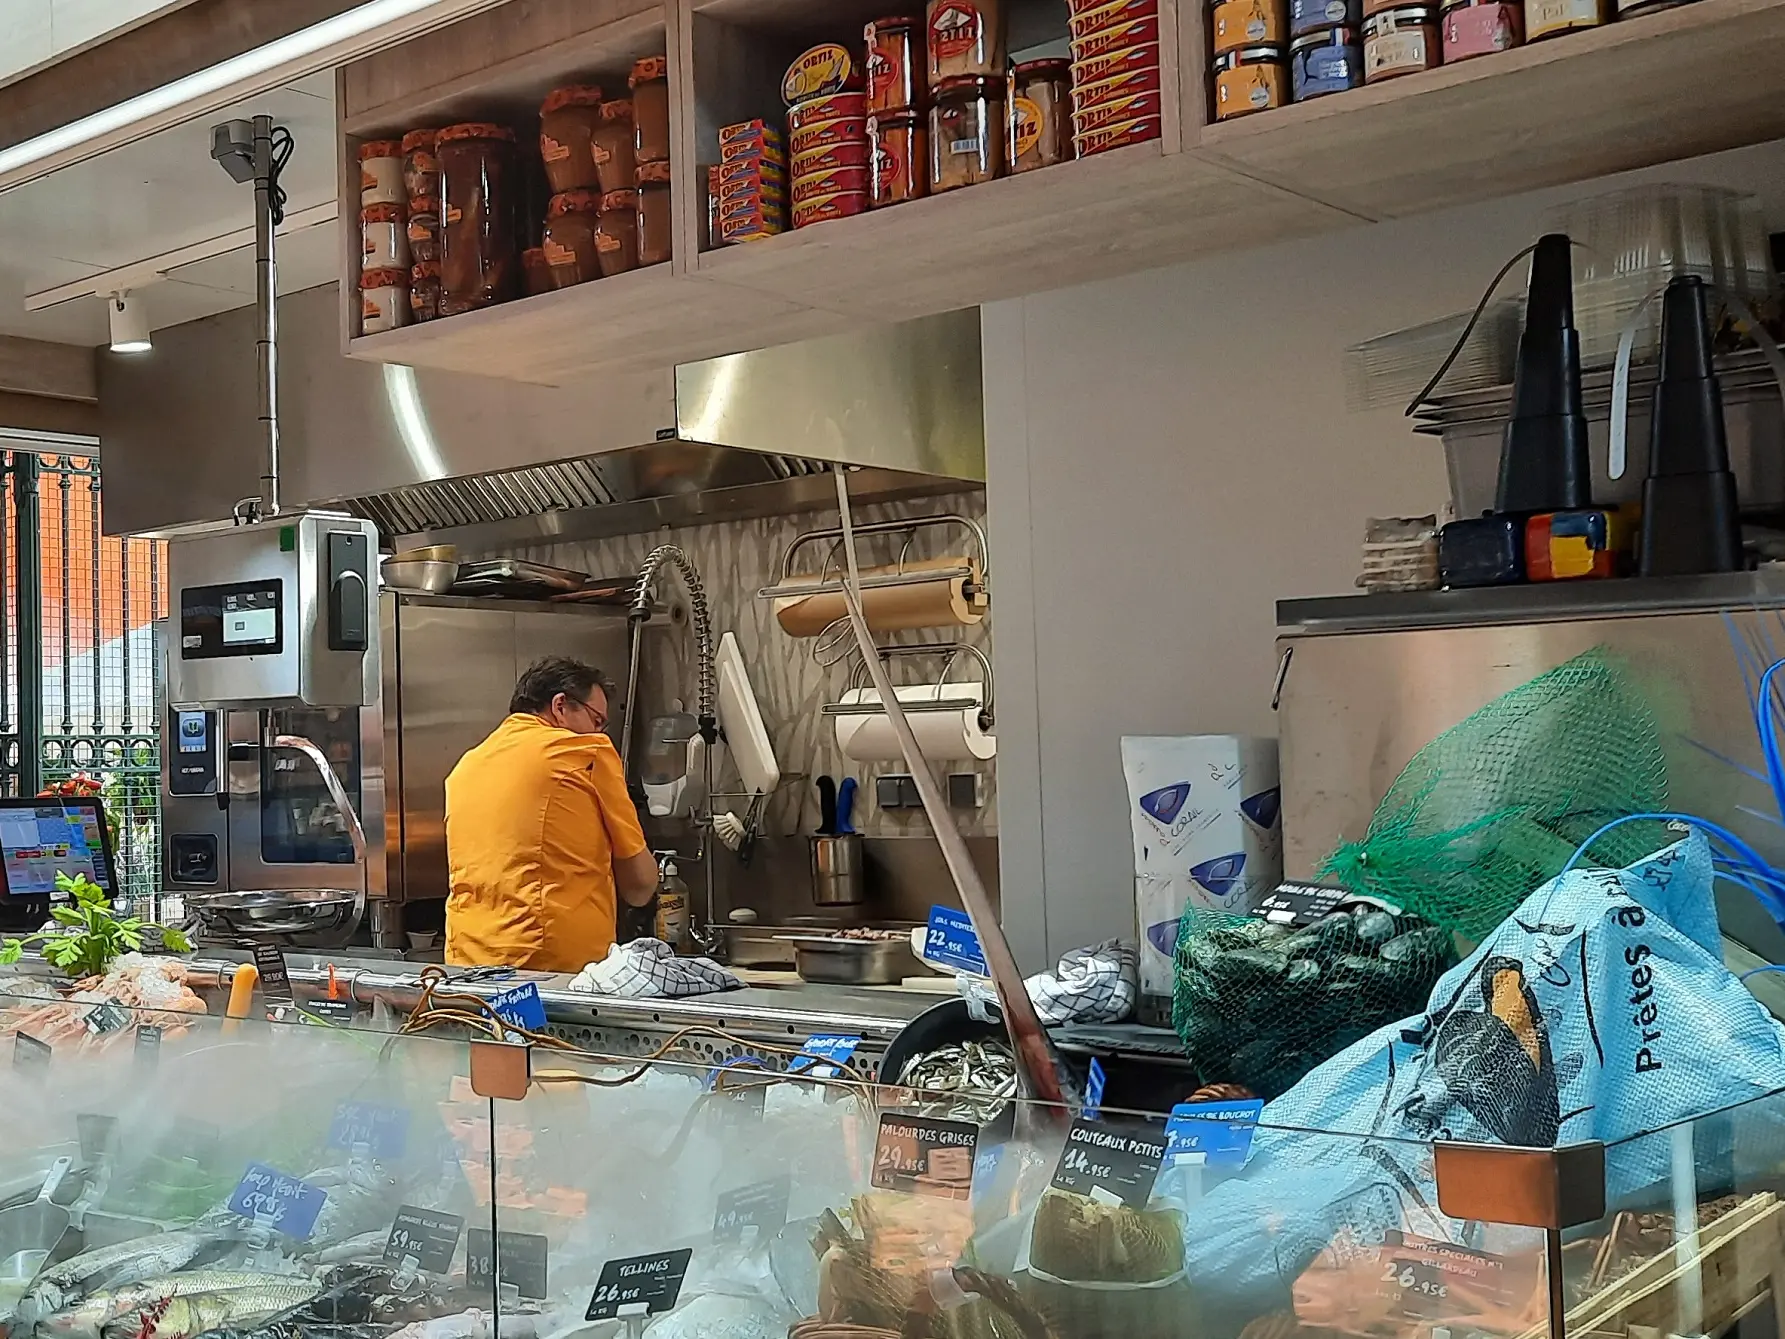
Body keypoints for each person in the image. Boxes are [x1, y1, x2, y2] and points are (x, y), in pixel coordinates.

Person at [444, 656, 658, 972]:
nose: (598, 732)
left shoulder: (466, 766)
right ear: (560, 706)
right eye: (596, 720)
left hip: (467, 964)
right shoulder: (584, 752)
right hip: (550, 967)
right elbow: (639, 885)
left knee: (495, 1025)